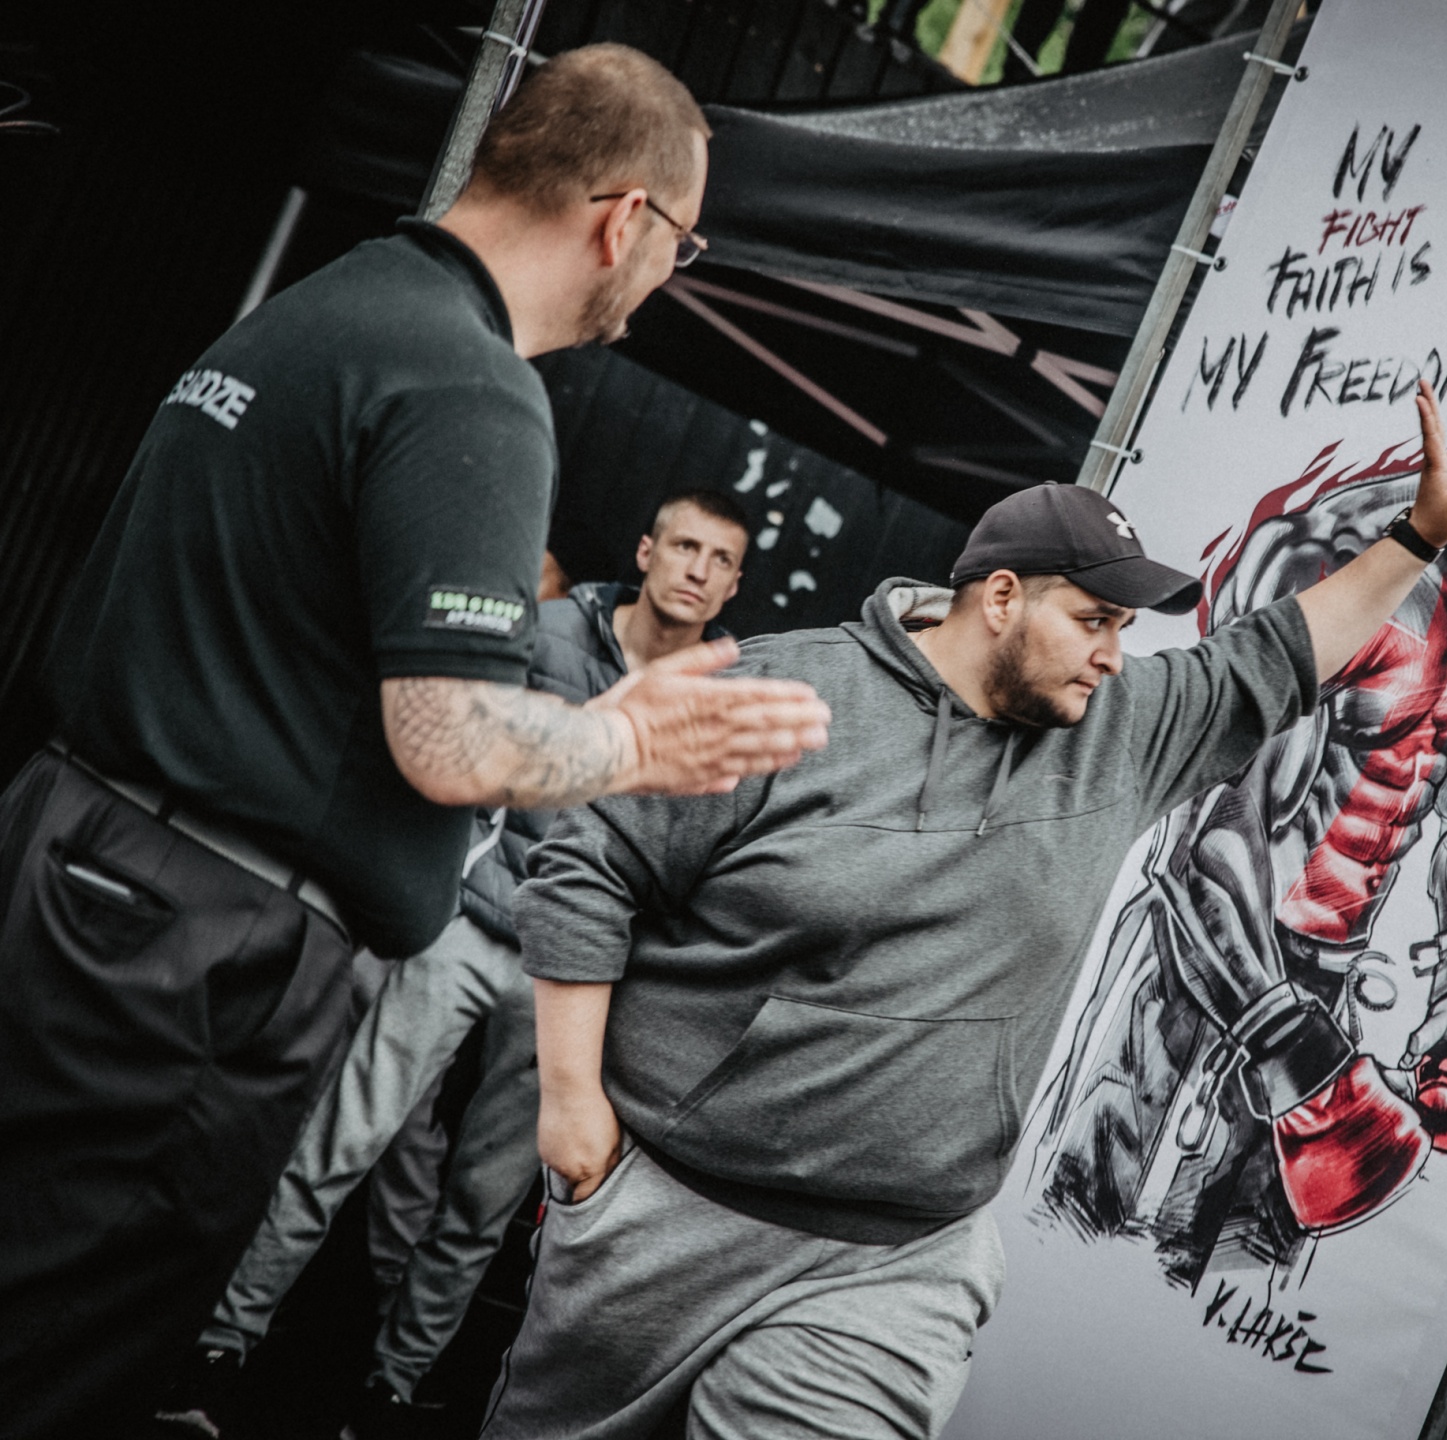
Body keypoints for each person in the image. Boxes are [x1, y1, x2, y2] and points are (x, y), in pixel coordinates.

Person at [0, 47, 829, 1438]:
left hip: (71, 858)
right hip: (191, 951)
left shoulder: (327, 305)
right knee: (56, 1359)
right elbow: (446, 737)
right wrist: (628, 746)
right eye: (684, 245)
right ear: (624, 219)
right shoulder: (473, 386)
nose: (668, 275)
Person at [483, 379, 1447, 1439]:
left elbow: (1278, 649)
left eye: (1124, 628)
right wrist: (571, 1109)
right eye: (1093, 620)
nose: (1114, 653)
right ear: (1001, 598)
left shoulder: (1122, 728)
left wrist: (1419, 536)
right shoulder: (781, 695)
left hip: (897, 1265)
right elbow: (592, 862)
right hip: (671, 1213)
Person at [1032, 346, 1447, 1282]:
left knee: (1223, 1286)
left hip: (1330, 989)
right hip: (1196, 969)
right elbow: (1212, 834)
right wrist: (1287, 1042)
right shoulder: (1327, 563)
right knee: (1073, 1236)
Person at [156, 490, 751, 1439]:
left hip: (571, 968)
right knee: (341, 1141)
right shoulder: (553, 632)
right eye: (685, 546)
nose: (698, 570)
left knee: (483, 1199)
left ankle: (392, 1389)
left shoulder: (716, 696)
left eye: (720, 560)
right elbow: (455, 744)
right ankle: (220, 1347)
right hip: (469, 923)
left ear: (733, 587)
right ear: (646, 551)